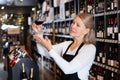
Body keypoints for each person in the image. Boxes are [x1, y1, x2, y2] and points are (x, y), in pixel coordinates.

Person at [32, 13, 96, 80]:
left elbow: (69, 69)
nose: (73, 26)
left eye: (78, 25)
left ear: (86, 31)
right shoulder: (67, 44)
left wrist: (50, 49)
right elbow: (43, 52)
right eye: (73, 23)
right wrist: (39, 34)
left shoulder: (89, 48)